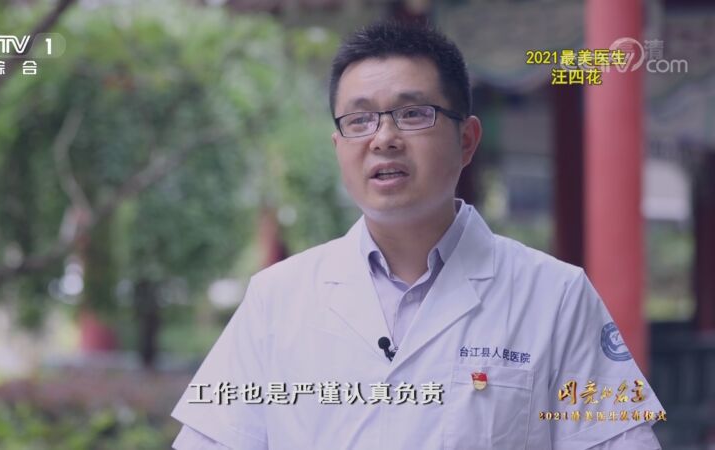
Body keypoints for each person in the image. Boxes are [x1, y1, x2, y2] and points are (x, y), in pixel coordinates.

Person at [171, 20, 664, 450]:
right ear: (338, 146)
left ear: (466, 140)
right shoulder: (276, 300)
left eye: (412, 114)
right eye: (359, 119)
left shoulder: (556, 295)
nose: (383, 138)